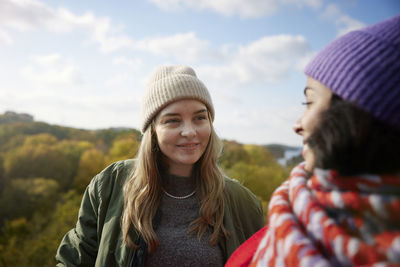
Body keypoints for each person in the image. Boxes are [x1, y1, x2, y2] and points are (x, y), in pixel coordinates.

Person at [225, 14, 400, 267]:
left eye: (310, 102)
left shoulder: (291, 216)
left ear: (359, 117)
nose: (297, 124)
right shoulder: (294, 203)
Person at [56, 65, 264, 266]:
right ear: (152, 130)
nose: (190, 131)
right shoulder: (110, 185)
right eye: (173, 120)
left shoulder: (241, 202)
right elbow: (75, 260)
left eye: (200, 117)